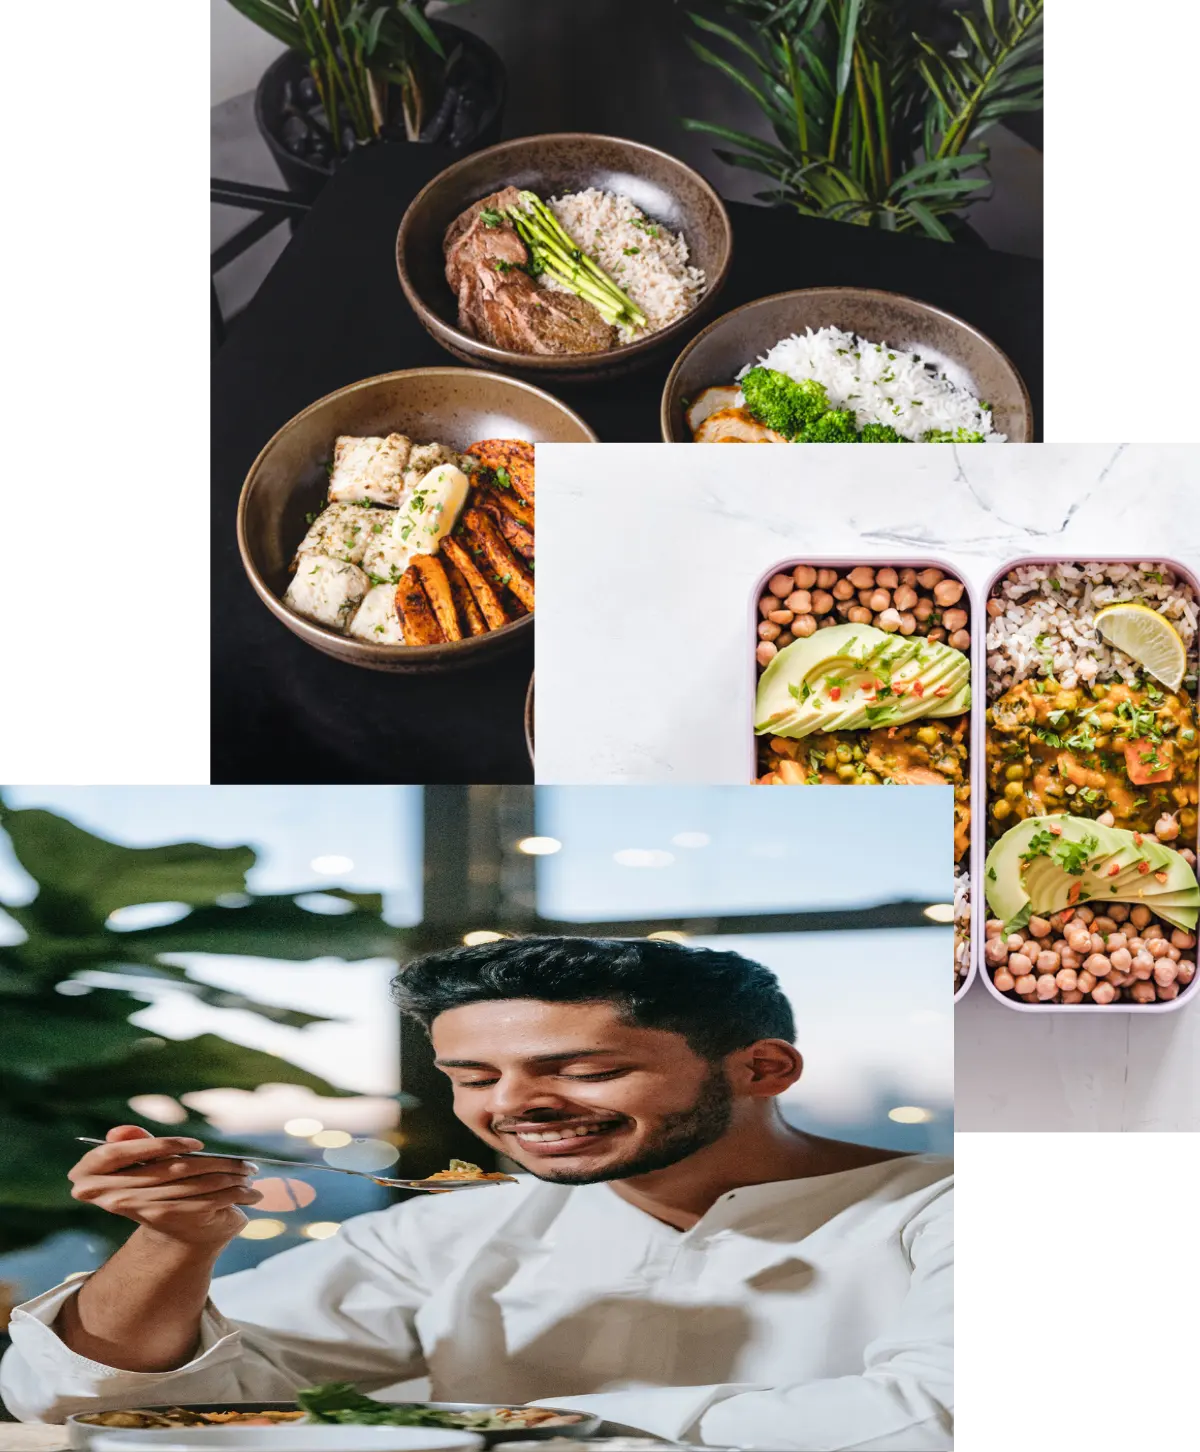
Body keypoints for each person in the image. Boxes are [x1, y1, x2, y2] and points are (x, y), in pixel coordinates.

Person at [1, 937, 958, 1449]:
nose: (515, 1108)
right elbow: (82, 1400)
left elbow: (929, 1423)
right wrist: (176, 1244)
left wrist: (520, 1429)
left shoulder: (933, 1209)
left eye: (581, 1069)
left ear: (764, 1067)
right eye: (472, 1076)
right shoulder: (454, 1229)